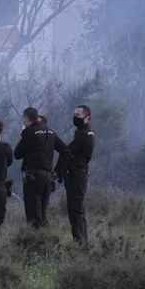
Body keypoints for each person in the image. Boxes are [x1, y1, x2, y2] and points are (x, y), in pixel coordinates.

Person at [13, 106, 67, 230]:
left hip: (33, 177)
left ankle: (36, 243)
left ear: (26, 118)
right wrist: (57, 171)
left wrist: (24, 136)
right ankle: (46, 241)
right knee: (43, 212)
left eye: (23, 120)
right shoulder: (51, 132)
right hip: (48, 177)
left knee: (33, 214)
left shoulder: (28, 133)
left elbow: (17, 154)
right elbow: (65, 151)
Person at [61, 104, 96, 243]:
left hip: (77, 175)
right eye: (74, 115)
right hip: (75, 175)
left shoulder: (85, 134)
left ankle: (80, 244)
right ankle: (82, 242)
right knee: (76, 210)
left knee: (75, 211)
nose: (75, 118)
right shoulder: (81, 133)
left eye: (78, 115)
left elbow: (68, 151)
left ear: (87, 118)